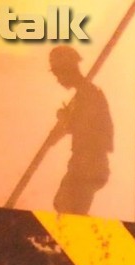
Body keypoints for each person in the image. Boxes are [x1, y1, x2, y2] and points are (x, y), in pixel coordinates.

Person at [44, 45, 114, 214]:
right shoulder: (82, 96)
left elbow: (86, 127)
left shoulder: (89, 94)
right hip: (85, 162)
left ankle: (92, 238)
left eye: (58, 73)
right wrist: (55, 135)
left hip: (89, 163)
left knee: (69, 209)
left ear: (67, 69)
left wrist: (66, 121)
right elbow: (75, 125)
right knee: (64, 206)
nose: (58, 79)